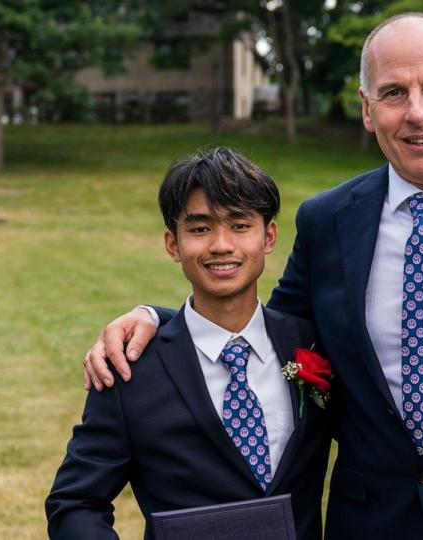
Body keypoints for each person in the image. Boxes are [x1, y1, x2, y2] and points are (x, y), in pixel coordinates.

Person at [85, 12, 423, 539]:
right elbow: (269, 332)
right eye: (394, 93)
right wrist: (156, 319)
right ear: (367, 109)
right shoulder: (329, 222)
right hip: (374, 525)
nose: (417, 111)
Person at [46, 148, 331, 539]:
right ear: (172, 244)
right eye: (199, 229)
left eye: (240, 225)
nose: (221, 245)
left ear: (269, 236)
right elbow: (75, 503)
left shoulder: (313, 346)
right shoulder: (130, 371)